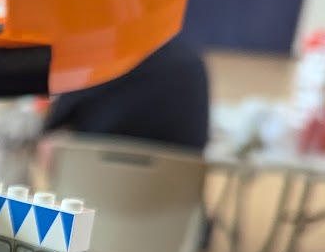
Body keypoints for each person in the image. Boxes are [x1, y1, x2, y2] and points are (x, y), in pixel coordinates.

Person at [38, 34, 211, 163]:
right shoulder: (192, 62)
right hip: (177, 196)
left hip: (93, 191)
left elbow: (53, 125)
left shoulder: (103, 55)